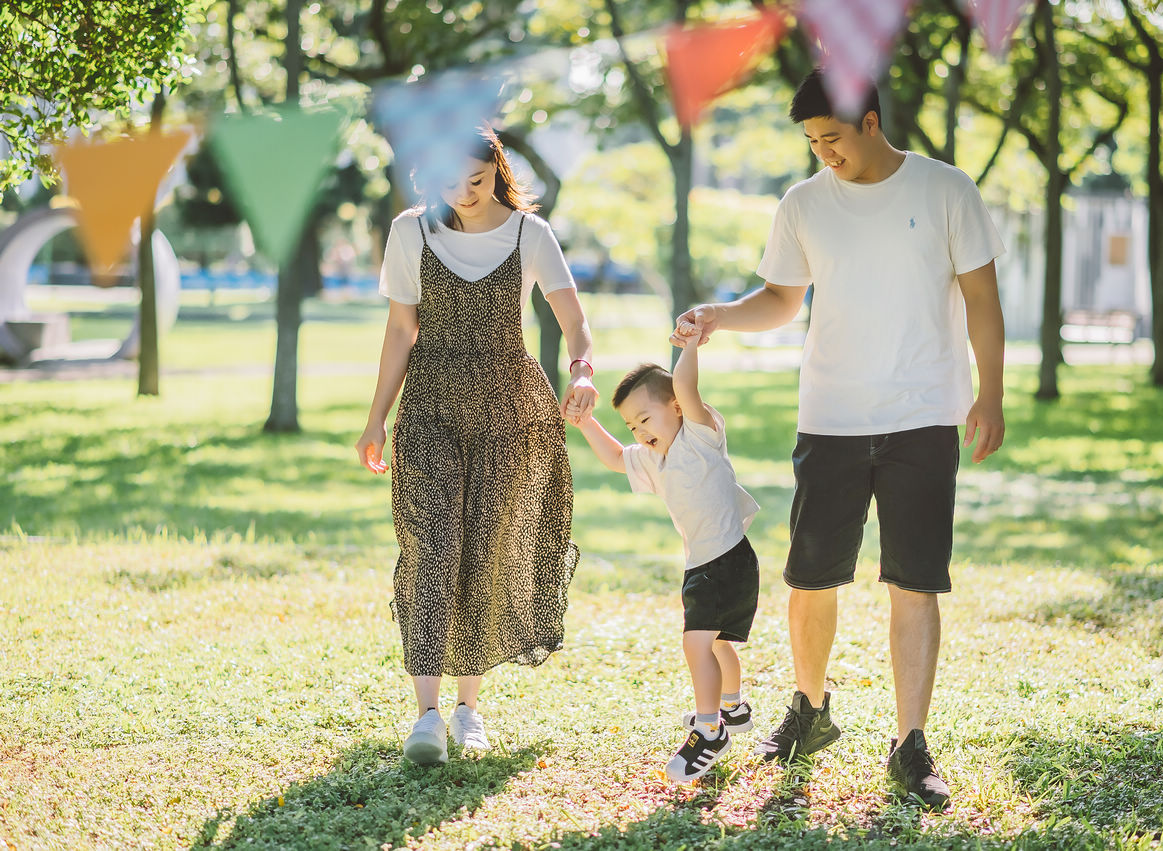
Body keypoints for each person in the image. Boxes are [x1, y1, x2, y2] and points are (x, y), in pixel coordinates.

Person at [673, 69, 1006, 809]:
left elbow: (982, 297)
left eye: (832, 137)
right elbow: (783, 299)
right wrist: (719, 316)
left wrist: (992, 393)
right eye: (811, 141)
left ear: (872, 122)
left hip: (924, 413)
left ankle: (910, 741)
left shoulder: (946, 190)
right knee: (810, 578)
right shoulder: (803, 204)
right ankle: (808, 709)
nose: (823, 152)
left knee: (915, 580)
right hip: (831, 417)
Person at [356, 123, 598, 766]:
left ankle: (469, 709)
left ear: (497, 171)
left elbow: (574, 322)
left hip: (509, 410)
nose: (464, 193)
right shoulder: (411, 231)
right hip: (430, 405)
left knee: (485, 553)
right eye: (450, 181)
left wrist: (582, 372)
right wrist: (377, 418)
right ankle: (427, 717)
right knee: (432, 547)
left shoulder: (528, 234)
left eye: (477, 180)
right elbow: (400, 332)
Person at [569, 325, 760, 783]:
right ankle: (732, 708)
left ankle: (710, 731)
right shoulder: (656, 460)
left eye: (644, 418)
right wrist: (585, 422)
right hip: (706, 564)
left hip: (726, 560)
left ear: (675, 407)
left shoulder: (700, 434)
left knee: (697, 643)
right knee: (717, 643)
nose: (638, 431)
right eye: (632, 425)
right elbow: (616, 458)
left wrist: (690, 346)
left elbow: (687, 386)